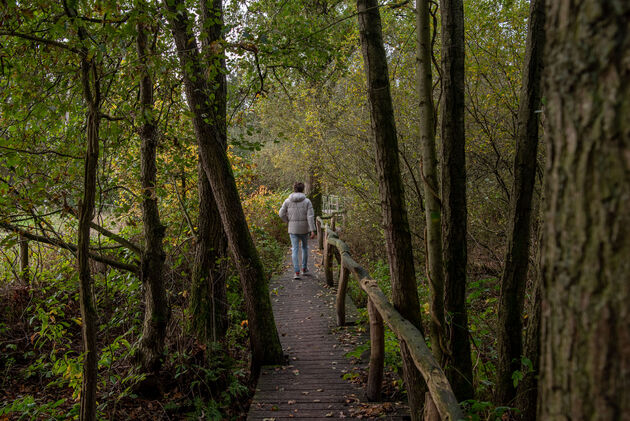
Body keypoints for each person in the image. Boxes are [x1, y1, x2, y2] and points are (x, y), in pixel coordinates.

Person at [279, 182, 316, 279]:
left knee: (294, 249)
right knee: (305, 248)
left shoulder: (287, 201)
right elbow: (310, 216)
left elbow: (281, 213)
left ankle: (296, 272)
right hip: (304, 229)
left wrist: (288, 221)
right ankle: (304, 269)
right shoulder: (307, 201)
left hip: (293, 229)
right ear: (303, 189)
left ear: (294, 189)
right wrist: (312, 230)